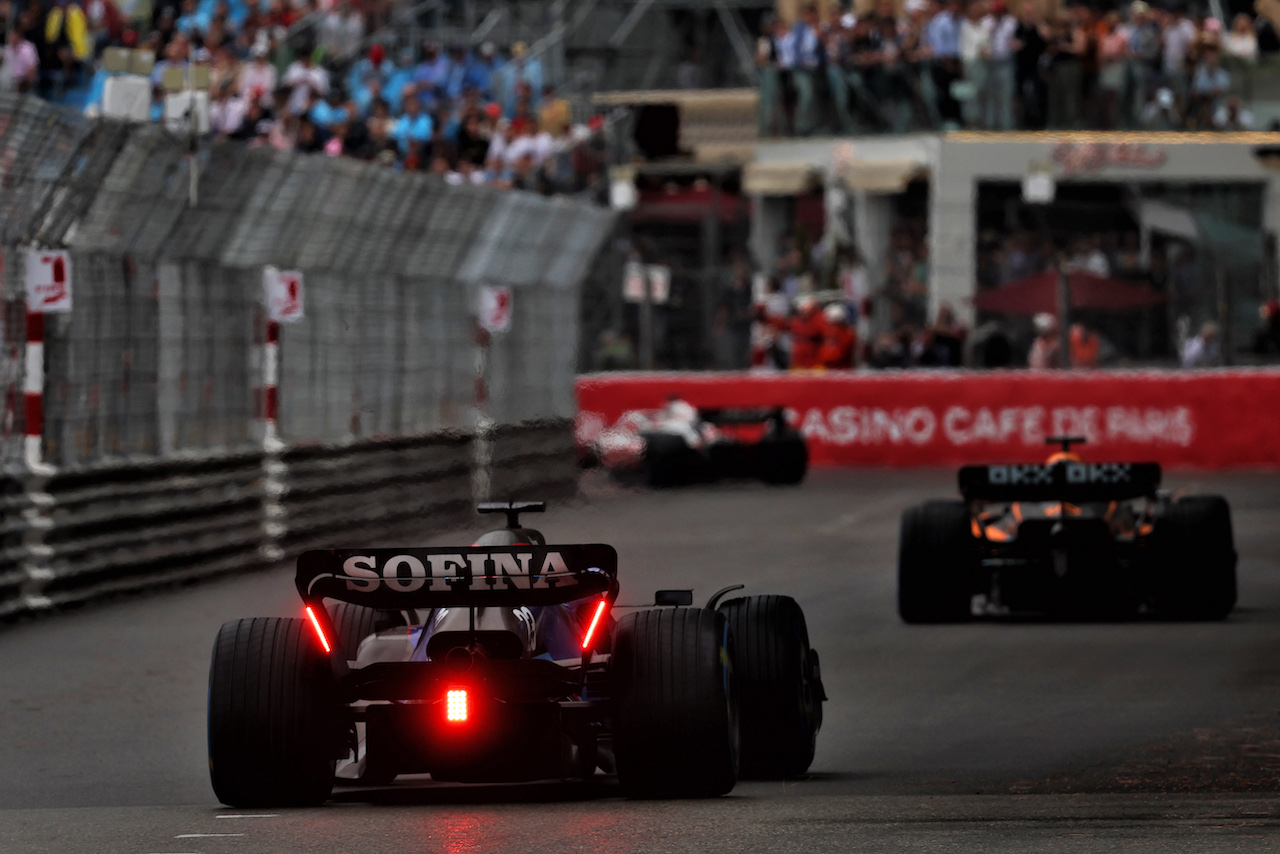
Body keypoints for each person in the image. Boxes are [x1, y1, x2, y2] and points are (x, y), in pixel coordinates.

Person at [818, 303, 857, 369]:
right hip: (825, 365)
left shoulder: (847, 332)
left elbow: (844, 350)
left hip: (842, 367)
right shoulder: (824, 329)